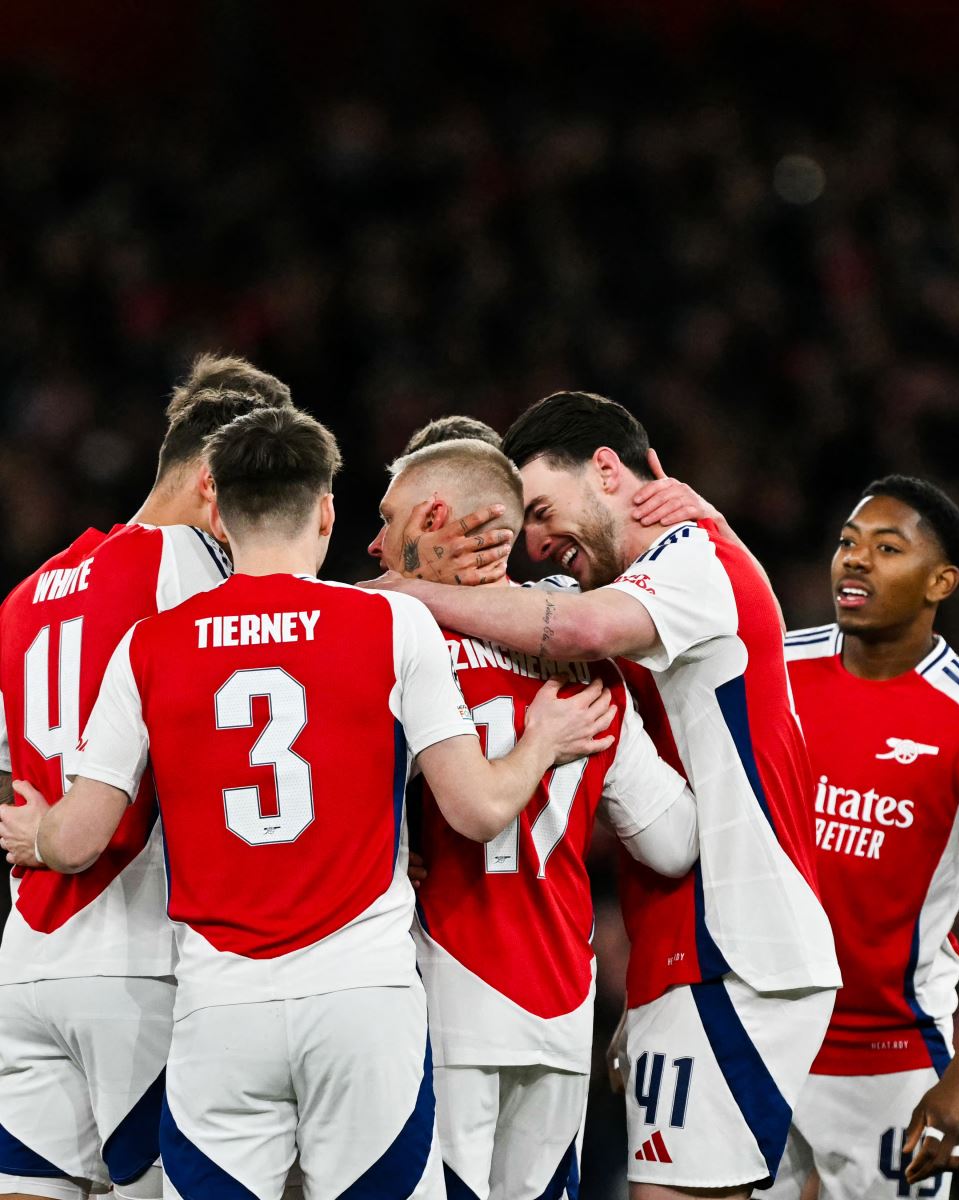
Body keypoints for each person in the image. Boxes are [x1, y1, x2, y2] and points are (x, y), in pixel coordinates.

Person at [0, 407, 617, 1199]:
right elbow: (478, 809)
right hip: (361, 998)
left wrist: (36, 833)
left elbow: (81, 834)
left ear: (217, 511)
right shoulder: (391, 622)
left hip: (221, 1007)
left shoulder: (150, 644)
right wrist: (538, 742)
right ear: (326, 509)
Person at [375, 391, 839, 1199]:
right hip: (659, 965)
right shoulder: (616, 650)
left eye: (545, 509)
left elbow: (581, 628)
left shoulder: (690, 559)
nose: (539, 542)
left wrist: (399, 599)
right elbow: (669, 834)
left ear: (608, 469)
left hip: (736, 949)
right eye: (522, 526)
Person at [369, 435, 700, 1200]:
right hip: (558, 1002)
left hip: (441, 991)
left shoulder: (394, 641)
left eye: (389, 519)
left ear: (440, 518)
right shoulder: (588, 667)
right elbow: (674, 841)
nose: (376, 543)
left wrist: (394, 844)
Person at [0, 356, 290, 1200]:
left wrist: (36, 833)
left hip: (29, 952)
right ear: (213, 484)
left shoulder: (23, 597)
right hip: (144, 957)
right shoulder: (191, 568)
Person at [768, 476, 959, 1200]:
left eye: (886, 549)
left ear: (941, 581)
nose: (855, 561)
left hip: (890, 1062)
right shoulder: (770, 672)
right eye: (847, 543)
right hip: (754, 1034)